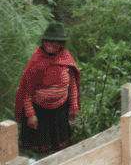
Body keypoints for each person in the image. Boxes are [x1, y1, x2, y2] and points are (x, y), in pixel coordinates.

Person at [14, 23, 81, 156]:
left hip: (60, 110)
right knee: (41, 150)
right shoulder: (36, 61)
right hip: (39, 112)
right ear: (43, 42)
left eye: (55, 42)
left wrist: (73, 106)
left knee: (59, 149)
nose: (50, 45)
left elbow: (72, 85)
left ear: (61, 44)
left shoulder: (66, 59)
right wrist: (31, 114)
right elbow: (26, 90)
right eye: (48, 41)